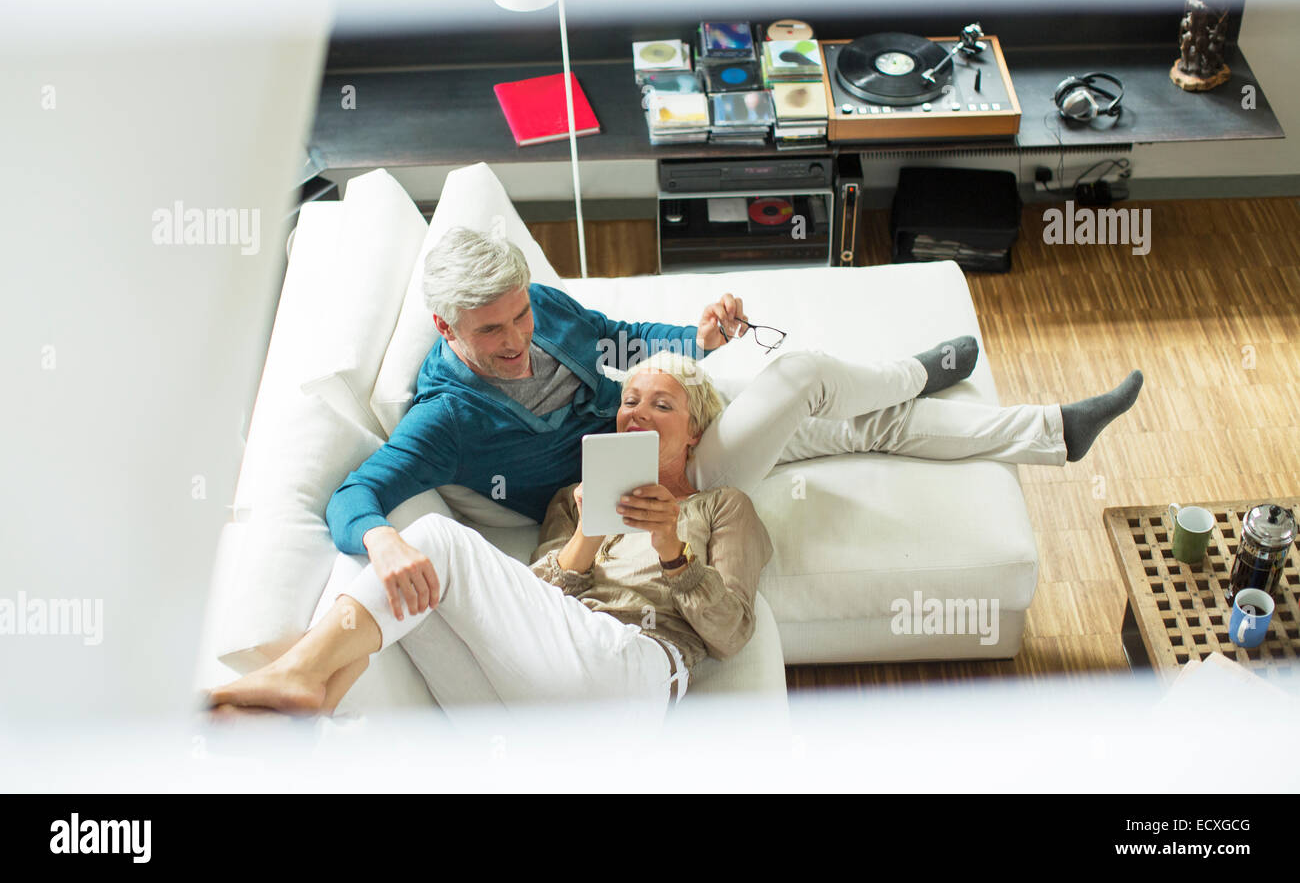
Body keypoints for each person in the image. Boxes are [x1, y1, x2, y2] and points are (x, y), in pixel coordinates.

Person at [329, 226, 1142, 623]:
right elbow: (354, 493)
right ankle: (922, 370)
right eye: (491, 333)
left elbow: (618, 336)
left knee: (860, 428)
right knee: (806, 376)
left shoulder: (534, 306)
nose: (518, 344)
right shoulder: (445, 418)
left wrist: (701, 342)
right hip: (669, 490)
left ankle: (1054, 433)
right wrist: (385, 539)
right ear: (446, 330)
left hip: (669, 432)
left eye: (519, 318)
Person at [209, 352, 771, 723]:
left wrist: (672, 548)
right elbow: (532, 603)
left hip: (630, 678)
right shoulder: (573, 499)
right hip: (533, 708)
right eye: (629, 401)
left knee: (434, 540)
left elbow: (731, 633)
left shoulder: (721, 506)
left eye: (662, 404)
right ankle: (306, 705)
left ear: (695, 430)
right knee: (413, 591)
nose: (636, 413)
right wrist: (586, 536)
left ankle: (299, 673)